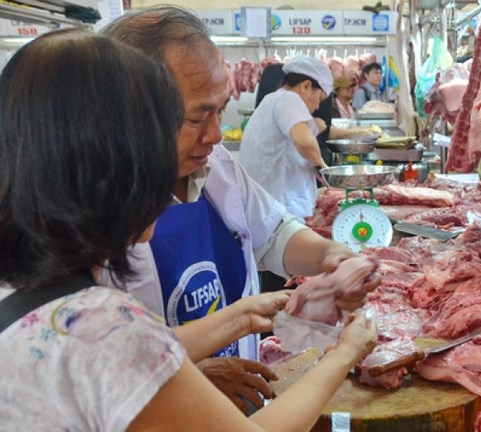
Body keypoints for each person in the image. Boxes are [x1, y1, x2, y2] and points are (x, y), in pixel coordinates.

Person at [0, 30, 378, 431]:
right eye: (189, 120)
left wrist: (244, 316)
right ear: (111, 164)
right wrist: (345, 353)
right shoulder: (107, 325)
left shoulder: (47, 309)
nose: (214, 136)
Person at [101, 5, 380, 413]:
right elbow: (108, 364)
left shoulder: (217, 168)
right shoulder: (89, 215)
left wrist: (328, 257)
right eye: (199, 117)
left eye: (219, 110)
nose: (215, 134)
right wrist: (193, 372)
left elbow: (276, 232)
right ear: (135, 113)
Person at [239, 55, 332, 222]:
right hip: (279, 215)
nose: (318, 106)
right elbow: (305, 142)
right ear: (306, 86)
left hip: (268, 211)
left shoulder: (273, 99)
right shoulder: (289, 99)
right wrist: (323, 168)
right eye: (320, 98)